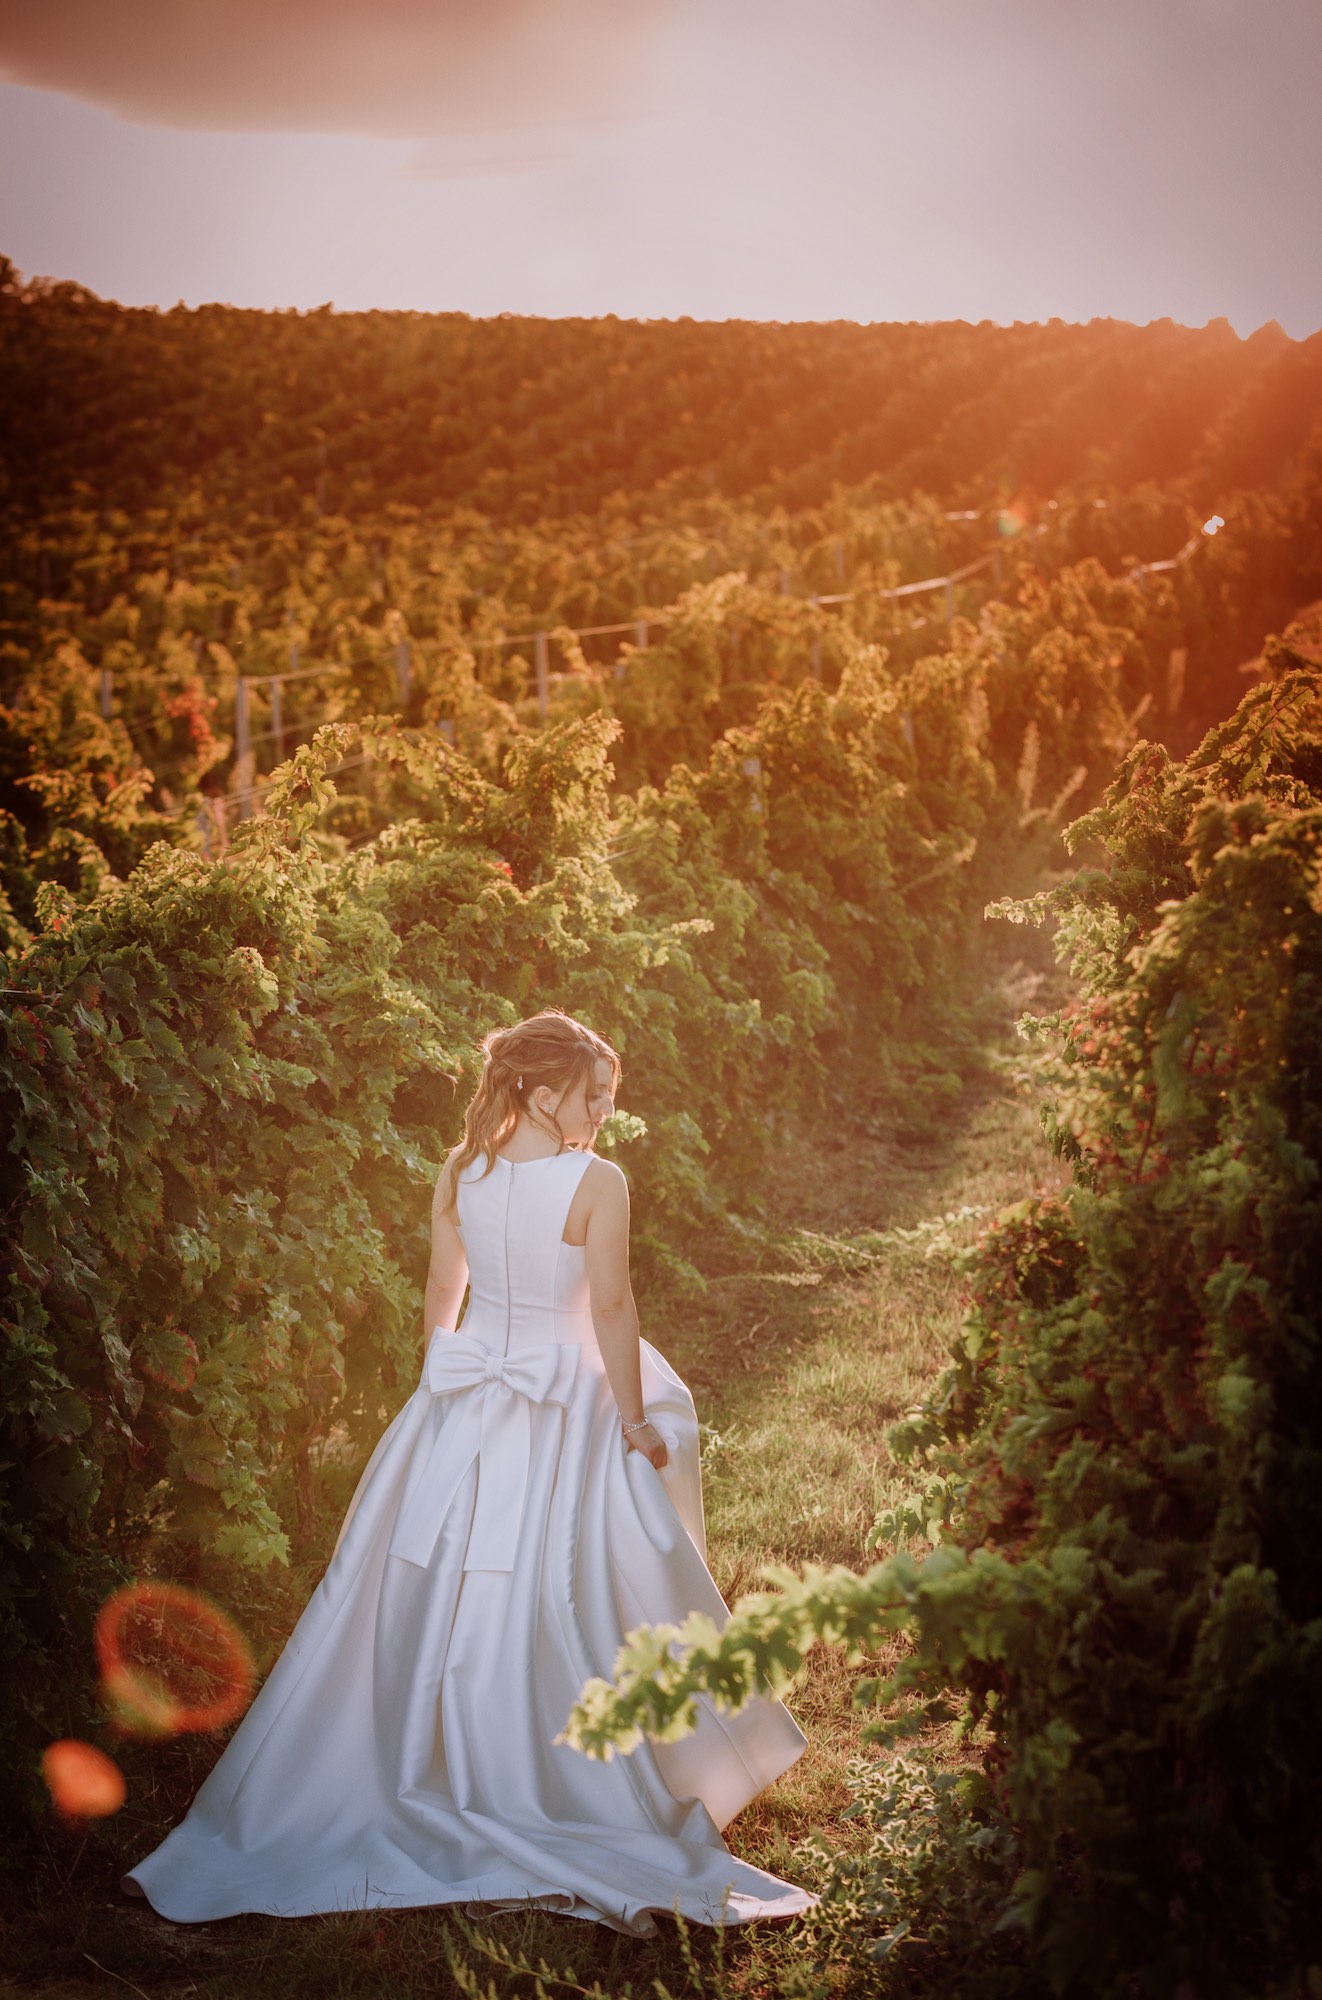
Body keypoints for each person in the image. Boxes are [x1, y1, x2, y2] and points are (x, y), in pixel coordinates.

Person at [124, 1009, 813, 1935]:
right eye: (594, 1095)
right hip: (561, 1391)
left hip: (467, 1388)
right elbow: (611, 1306)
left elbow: (442, 1291)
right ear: (542, 1091)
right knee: (569, 1572)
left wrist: (442, 1387)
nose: (605, 1112)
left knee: (421, 1578)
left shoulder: (461, 1170)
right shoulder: (596, 1181)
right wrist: (633, 1420)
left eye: (609, 1098)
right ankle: (568, 1771)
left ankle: (419, 1759)